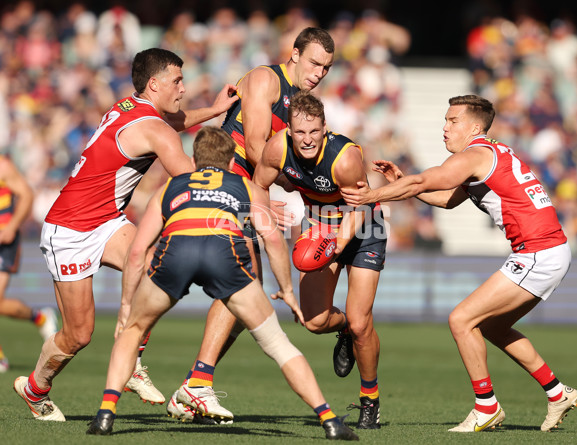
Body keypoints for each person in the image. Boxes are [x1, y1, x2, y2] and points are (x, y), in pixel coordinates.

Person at [86, 126, 358, 441]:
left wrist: (125, 306)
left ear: (193, 159)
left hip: (177, 254)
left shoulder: (170, 188)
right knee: (278, 344)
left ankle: (106, 414)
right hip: (223, 256)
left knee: (131, 332)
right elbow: (272, 240)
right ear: (230, 162)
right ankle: (329, 420)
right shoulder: (246, 187)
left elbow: (137, 253)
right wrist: (285, 289)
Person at [13, 48, 238, 421]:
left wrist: (213, 111)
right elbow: (194, 182)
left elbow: (172, 123)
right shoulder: (154, 128)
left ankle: (132, 358)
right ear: (154, 84)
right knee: (78, 335)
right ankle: (35, 389)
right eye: (177, 81)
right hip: (69, 229)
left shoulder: (131, 107)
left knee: (155, 264)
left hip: (106, 221)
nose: (183, 89)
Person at [340, 94, 577, 432]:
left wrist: (371, 195)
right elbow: (445, 199)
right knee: (492, 327)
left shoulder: (475, 155)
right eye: (446, 120)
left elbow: (426, 181)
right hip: (547, 250)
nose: (445, 127)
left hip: (538, 252)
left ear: (475, 127)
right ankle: (557, 392)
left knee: (461, 319)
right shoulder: (489, 154)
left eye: (453, 121)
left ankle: (487, 406)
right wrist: (401, 183)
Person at [167, 27, 336, 422]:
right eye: (313, 62)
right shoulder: (265, 79)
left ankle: (195, 383)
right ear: (294, 54)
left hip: (246, 189)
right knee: (244, 287)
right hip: (226, 185)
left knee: (248, 300)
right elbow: (259, 148)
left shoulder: (303, 101)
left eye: (326, 67)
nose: (319, 72)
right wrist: (299, 186)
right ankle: (194, 382)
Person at [250, 91, 386, 430]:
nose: (307, 140)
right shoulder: (276, 149)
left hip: (365, 224)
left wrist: (336, 245)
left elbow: (360, 206)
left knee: (360, 321)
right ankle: (343, 333)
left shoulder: (344, 157)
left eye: (314, 132)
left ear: (325, 129)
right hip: (320, 222)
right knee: (313, 322)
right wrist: (266, 213)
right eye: (300, 132)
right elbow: (258, 184)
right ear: (289, 132)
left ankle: (370, 399)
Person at [0, 155, 58, 372]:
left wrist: (12, 227)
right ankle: (40, 317)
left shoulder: (3, 166)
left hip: (4, 239)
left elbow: (26, 194)